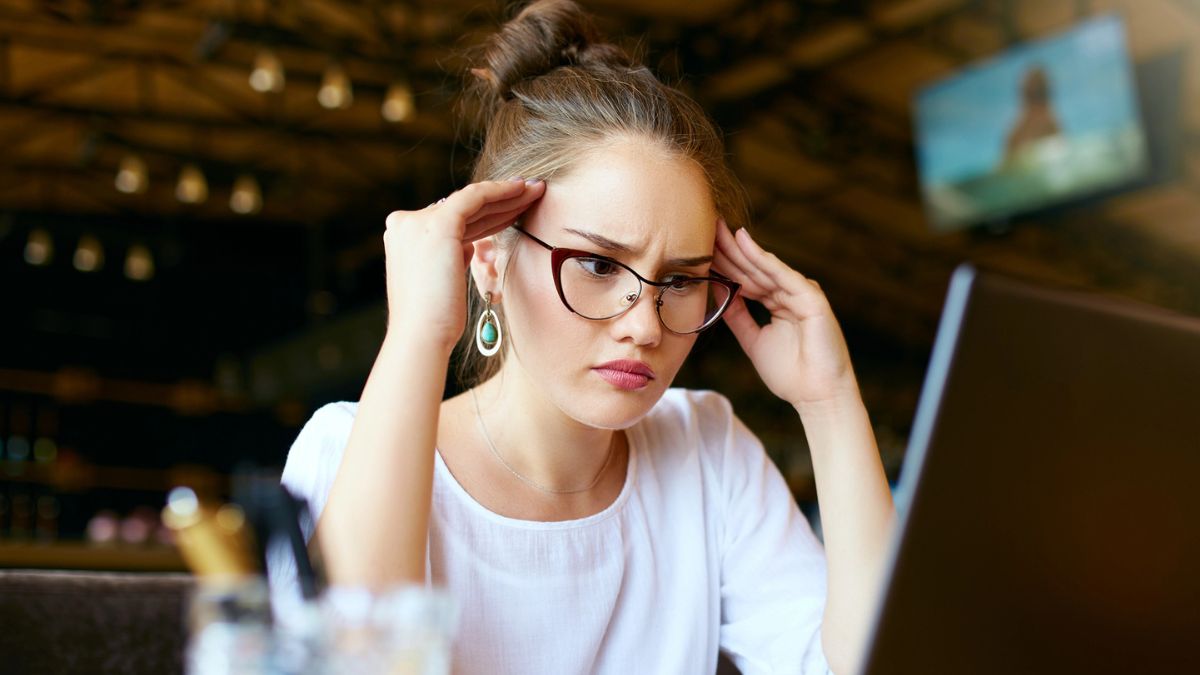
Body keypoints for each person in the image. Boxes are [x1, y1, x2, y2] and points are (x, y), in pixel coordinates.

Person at [269, 2, 894, 673]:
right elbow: (350, 665)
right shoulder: (349, 449)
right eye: (598, 265)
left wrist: (829, 401)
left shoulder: (708, 449)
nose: (646, 323)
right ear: (487, 257)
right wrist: (418, 335)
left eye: (681, 280)